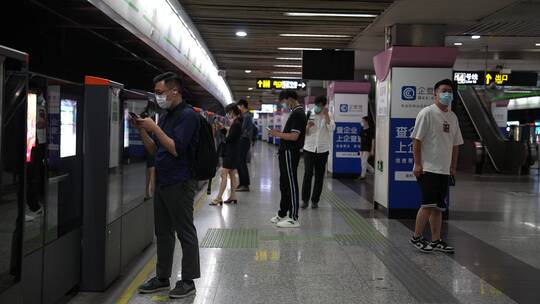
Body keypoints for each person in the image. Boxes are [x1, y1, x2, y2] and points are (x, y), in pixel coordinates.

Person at [134, 72, 200, 299]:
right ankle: (162, 278)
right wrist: (143, 129)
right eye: (156, 93)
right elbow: (155, 149)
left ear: (175, 91)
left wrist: (155, 128)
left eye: (160, 92)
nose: (158, 96)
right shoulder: (167, 115)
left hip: (180, 182)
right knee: (162, 232)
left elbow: (175, 148)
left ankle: (188, 281)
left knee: (185, 231)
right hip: (164, 180)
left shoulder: (188, 116)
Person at [410, 79, 463, 254]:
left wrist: (453, 167)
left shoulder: (453, 117)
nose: (447, 94)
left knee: (439, 207)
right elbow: (416, 140)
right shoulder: (427, 113)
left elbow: (455, 145)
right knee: (427, 205)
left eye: (450, 91)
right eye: (444, 91)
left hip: (444, 169)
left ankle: (436, 240)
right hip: (428, 168)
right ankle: (416, 237)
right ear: (435, 94)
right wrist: (417, 164)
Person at [269, 90, 307, 228]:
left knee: (291, 183)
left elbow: (294, 136)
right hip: (285, 152)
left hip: (290, 152)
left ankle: (294, 217)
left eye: (284, 102)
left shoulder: (298, 113)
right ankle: (283, 213)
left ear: (290, 99)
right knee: (284, 183)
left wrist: (276, 134)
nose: (284, 105)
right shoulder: (295, 113)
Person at [301, 95, 335, 209]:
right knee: (308, 174)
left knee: (319, 176)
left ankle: (315, 200)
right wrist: (307, 126)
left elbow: (332, 129)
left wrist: (326, 116)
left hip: (322, 150)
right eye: (317, 105)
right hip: (309, 148)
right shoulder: (309, 113)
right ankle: (304, 200)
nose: (319, 107)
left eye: (321, 105)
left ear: (324, 105)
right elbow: (303, 133)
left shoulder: (328, 115)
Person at [210, 104, 242, 206]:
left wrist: (226, 132)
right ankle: (233, 196)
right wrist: (223, 129)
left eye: (228, 112)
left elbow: (229, 139)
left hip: (231, 153)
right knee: (232, 174)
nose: (228, 115)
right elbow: (231, 136)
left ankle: (219, 198)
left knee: (223, 174)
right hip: (234, 152)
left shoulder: (236, 123)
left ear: (232, 111)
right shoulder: (237, 122)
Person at [236, 99, 253, 192]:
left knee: (241, 162)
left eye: (239, 106)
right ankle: (242, 183)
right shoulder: (246, 115)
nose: (238, 108)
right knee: (240, 162)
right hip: (244, 140)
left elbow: (241, 129)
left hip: (244, 140)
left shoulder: (246, 116)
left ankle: (245, 184)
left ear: (242, 106)